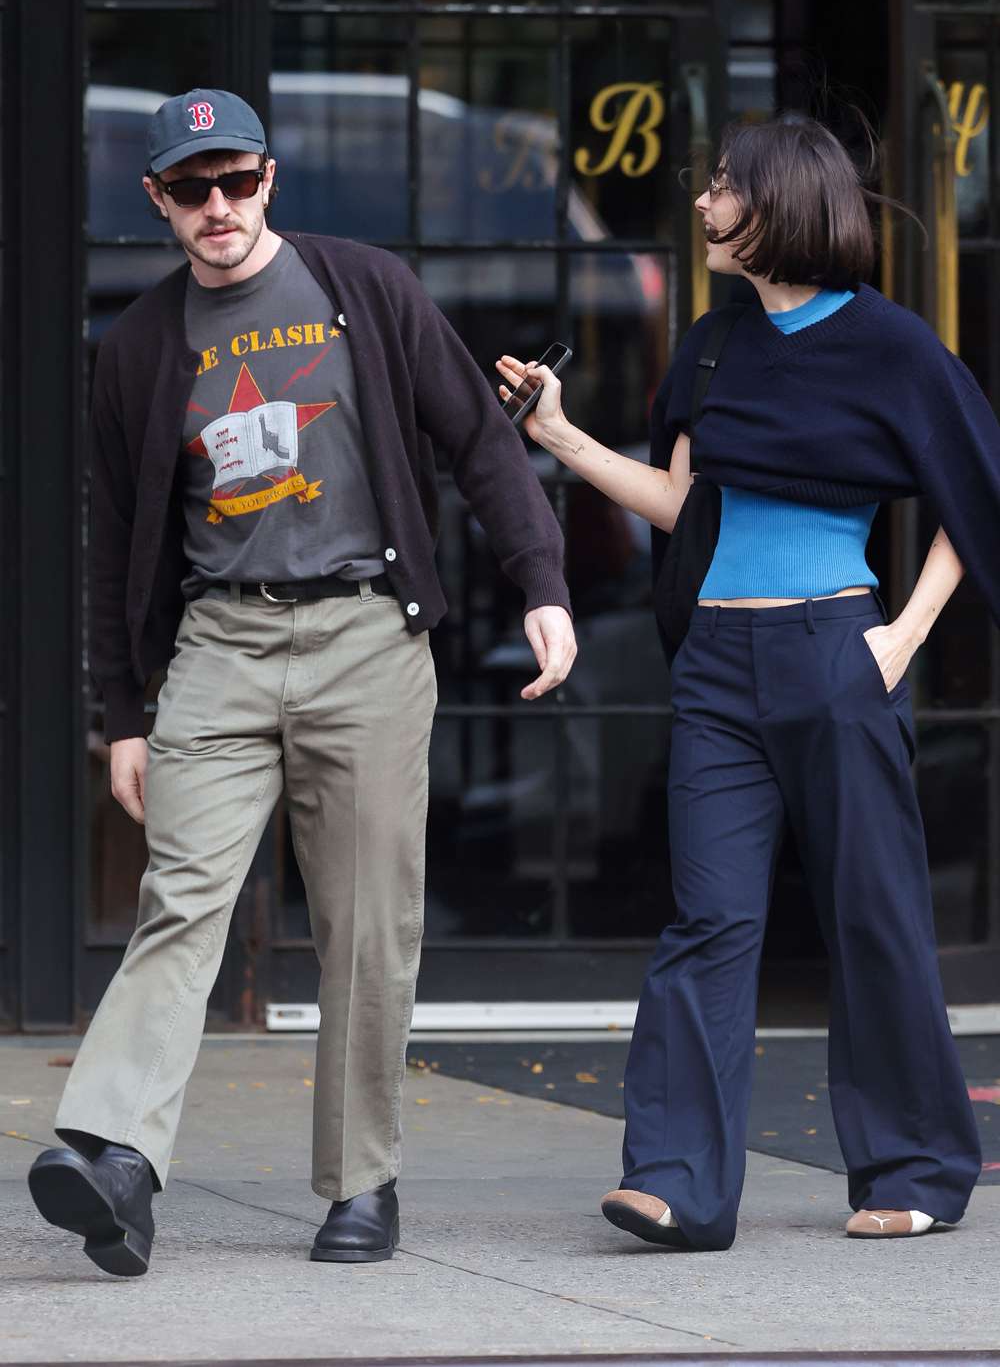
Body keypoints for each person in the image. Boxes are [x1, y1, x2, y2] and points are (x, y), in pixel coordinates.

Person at [28, 88, 576, 1276]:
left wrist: (541, 580)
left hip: (367, 638)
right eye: (190, 189)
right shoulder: (137, 346)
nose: (216, 208)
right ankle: (117, 1156)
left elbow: (478, 446)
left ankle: (360, 1184)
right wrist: (124, 713)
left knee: (367, 924)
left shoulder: (361, 288)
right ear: (159, 201)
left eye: (235, 181)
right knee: (182, 895)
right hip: (218, 648)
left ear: (270, 181)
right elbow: (113, 534)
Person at [497, 114, 999, 1250]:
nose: (704, 205)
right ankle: (676, 1181)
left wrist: (905, 635)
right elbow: (683, 510)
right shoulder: (711, 348)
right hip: (718, 666)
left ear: (778, 206)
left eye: (722, 189)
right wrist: (560, 435)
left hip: (838, 651)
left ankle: (914, 1166)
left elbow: (976, 499)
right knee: (706, 921)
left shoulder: (891, 346)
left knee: (870, 914)